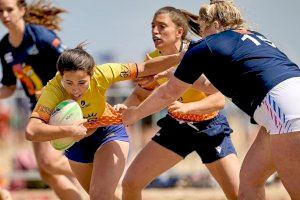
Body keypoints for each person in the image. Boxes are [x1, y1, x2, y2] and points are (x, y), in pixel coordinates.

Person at [122, 1, 300, 199]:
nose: (200, 34)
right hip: (285, 102)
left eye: (203, 29)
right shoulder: (252, 36)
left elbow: (167, 93)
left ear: (213, 25)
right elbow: (214, 86)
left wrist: (134, 114)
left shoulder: (206, 46)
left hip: (281, 109)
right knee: (249, 183)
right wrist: (173, 75)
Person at [25, 44, 182, 200]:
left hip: (109, 132)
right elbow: (31, 131)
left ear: (91, 75)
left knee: (100, 197)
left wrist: (181, 57)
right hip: (76, 144)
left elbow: (145, 67)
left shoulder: (102, 73)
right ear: (61, 76)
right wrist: (69, 131)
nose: (75, 90)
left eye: (81, 83)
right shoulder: (53, 89)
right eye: (69, 82)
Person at [118, 6, 239, 200]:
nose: (155, 31)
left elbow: (218, 100)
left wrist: (187, 107)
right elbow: (140, 95)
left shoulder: (199, 53)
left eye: (162, 26)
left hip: (210, 128)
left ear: (179, 32)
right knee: (130, 183)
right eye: (152, 26)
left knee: (239, 194)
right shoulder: (153, 59)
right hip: (177, 128)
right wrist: (122, 109)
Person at [0, 0, 85, 199]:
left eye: (9, 9)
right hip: (38, 109)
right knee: (46, 170)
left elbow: (72, 63)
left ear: (22, 10)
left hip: (59, 105)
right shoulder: (4, 47)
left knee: (50, 162)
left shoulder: (40, 36)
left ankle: (98, 171)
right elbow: (9, 87)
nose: (4, 15)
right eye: (0, 11)